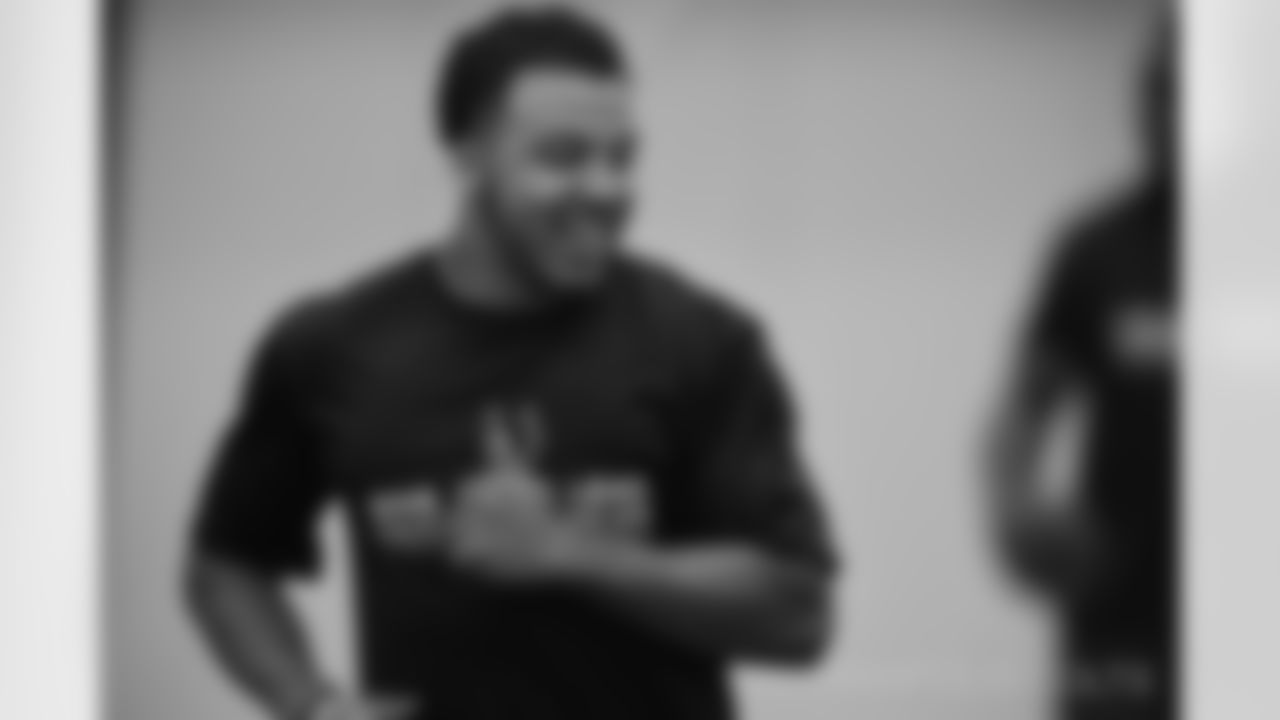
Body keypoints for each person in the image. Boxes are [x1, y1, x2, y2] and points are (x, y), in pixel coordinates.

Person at [183, 7, 840, 720]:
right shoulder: (333, 345)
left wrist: (573, 552)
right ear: (467, 154)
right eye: (563, 157)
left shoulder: (703, 340)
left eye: (622, 157)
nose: (606, 189)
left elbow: (800, 616)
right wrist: (309, 702)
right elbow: (227, 562)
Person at [986, 20, 1178, 720]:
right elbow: (1022, 410)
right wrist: (1015, 507)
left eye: (1183, 89)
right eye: (1155, 89)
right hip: (1121, 623)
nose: (1163, 109)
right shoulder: (1099, 249)